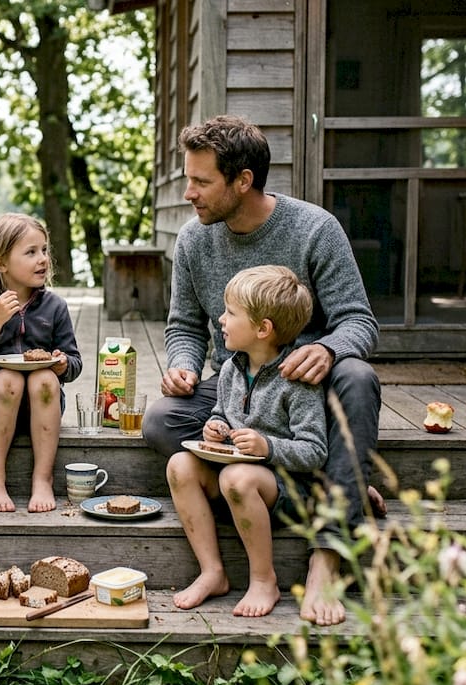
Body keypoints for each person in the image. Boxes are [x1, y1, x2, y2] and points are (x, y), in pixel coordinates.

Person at [142, 115, 384, 626]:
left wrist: (329, 350)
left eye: (201, 181)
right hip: (239, 384)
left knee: (359, 379)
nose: (188, 193)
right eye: (188, 179)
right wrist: (183, 366)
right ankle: (336, 475)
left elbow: (359, 322)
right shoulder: (193, 240)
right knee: (162, 420)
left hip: (305, 389)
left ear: (243, 181)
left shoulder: (315, 229)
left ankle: (328, 554)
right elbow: (184, 326)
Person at [168, 265, 326, 617]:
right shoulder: (231, 369)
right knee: (179, 465)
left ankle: (264, 580)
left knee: (235, 477)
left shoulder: (296, 381)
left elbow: (315, 451)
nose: (221, 320)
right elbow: (222, 413)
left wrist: (268, 447)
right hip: (236, 482)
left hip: (287, 490)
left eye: (230, 313)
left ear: (262, 329)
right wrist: (215, 426)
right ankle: (212, 572)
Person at [0, 213, 82, 513]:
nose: (43, 259)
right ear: (1, 262)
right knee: (8, 379)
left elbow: (74, 361)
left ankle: (43, 478)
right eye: (31, 252)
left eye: (44, 250)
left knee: (45, 378)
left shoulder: (54, 306)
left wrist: (62, 364)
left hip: (44, 403)